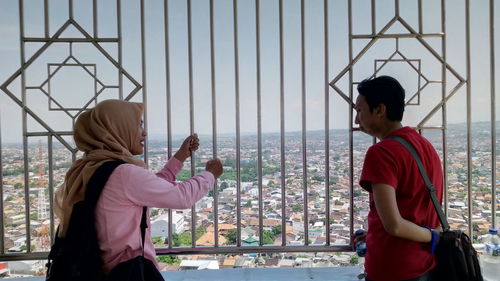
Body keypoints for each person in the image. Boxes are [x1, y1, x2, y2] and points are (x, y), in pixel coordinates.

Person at [54, 99, 223, 277]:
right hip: (125, 270)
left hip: (96, 267)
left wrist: (180, 157)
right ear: (118, 128)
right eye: (138, 125)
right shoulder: (123, 173)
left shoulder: (89, 167)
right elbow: (181, 197)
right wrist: (210, 174)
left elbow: (147, 190)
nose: (144, 133)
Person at [353, 76, 443, 281]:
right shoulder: (424, 146)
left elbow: (394, 225)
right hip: (426, 264)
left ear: (380, 110)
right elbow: (413, 208)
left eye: (359, 111)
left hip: (393, 268)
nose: (357, 120)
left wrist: (434, 236)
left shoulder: (382, 152)